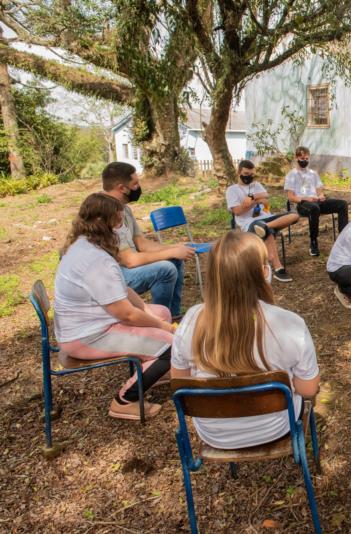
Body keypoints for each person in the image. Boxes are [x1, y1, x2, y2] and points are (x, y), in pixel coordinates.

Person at [171, 231, 320, 449]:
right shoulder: (290, 324)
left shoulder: (191, 319)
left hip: (214, 433)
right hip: (276, 427)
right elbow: (308, 390)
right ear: (263, 272)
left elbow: (180, 385)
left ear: (213, 275)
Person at [54, 193, 175, 420]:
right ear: (104, 224)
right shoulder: (95, 260)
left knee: (162, 311)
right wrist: (163, 328)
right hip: (87, 336)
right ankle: (123, 401)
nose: (123, 228)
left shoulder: (86, 245)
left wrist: (149, 313)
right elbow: (126, 314)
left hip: (90, 323)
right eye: (119, 222)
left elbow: (124, 289)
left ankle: (153, 368)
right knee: (171, 345)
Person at [102, 162, 195, 320]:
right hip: (113, 275)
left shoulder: (125, 209)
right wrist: (171, 251)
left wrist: (174, 248)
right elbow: (129, 260)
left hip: (125, 267)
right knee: (166, 269)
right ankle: (160, 319)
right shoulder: (105, 212)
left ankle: (174, 316)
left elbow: (142, 244)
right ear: (121, 188)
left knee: (175, 260)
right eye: (135, 184)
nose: (139, 187)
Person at [226, 160, 299, 283]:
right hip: (249, 224)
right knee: (265, 230)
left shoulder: (256, 185)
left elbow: (265, 195)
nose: (248, 176)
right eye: (246, 173)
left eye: (251, 174)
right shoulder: (232, 190)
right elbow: (237, 211)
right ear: (239, 172)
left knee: (294, 215)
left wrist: (252, 199)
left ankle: (266, 226)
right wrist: (254, 203)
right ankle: (278, 268)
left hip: (265, 219)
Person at [284, 146, 349, 257]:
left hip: (317, 202)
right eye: (302, 158)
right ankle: (313, 242)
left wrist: (321, 196)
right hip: (302, 204)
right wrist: (305, 198)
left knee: (342, 204)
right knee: (314, 208)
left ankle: (343, 240)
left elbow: (319, 191)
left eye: (307, 158)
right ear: (296, 158)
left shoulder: (313, 173)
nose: (304, 161)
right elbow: (291, 197)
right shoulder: (292, 175)